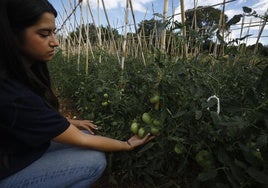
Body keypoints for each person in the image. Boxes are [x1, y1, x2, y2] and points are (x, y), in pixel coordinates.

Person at [0, 0, 154, 187]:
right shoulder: (11, 92)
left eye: (54, 32)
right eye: (44, 34)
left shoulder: (18, 76)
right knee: (93, 161)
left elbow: (33, 118)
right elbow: (81, 139)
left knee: (80, 132)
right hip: (6, 171)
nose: (55, 42)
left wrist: (72, 122)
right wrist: (127, 145)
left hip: (12, 153)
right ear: (12, 35)